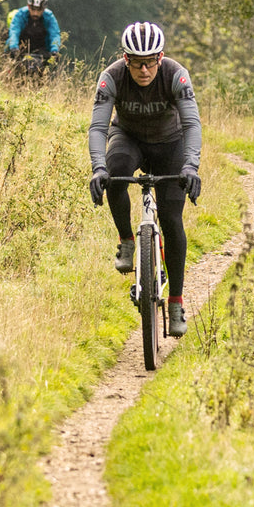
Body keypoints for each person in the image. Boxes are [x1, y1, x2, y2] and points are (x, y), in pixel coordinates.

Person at [86, 20, 202, 336]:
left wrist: (191, 167)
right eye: (137, 63)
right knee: (115, 171)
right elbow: (98, 128)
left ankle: (176, 303)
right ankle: (126, 239)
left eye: (150, 62)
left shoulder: (176, 75)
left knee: (172, 218)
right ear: (126, 60)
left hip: (171, 143)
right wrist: (98, 168)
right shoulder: (111, 77)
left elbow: (192, 124)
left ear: (160, 58)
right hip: (129, 138)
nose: (144, 70)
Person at [6, 0, 62, 71]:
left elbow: (55, 34)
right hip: (20, 49)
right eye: (33, 9)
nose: (35, 13)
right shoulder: (20, 15)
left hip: (41, 50)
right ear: (28, 6)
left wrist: (54, 50)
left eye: (39, 10)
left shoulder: (49, 17)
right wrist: (14, 48)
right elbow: (14, 31)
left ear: (44, 9)